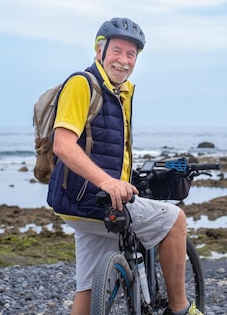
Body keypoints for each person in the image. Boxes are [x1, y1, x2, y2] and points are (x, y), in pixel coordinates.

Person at [47, 17, 204, 315]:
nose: (124, 60)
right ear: (99, 51)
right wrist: (107, 182)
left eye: (131, 55)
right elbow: (63, 145)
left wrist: (124, 177)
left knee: (89, 287)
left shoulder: (122, 92)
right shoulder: (82, 84)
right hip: (93, 200)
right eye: (117, 51)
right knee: (175, 220)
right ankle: (180, 309)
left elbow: (112, 149)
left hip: (74, 203)